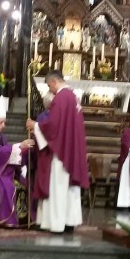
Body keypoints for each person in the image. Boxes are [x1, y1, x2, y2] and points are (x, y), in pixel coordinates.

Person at [26, 70, 90, 233]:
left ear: (54, 82)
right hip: (71, 148)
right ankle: (69, 221)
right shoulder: (73, 96)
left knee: (58, 186)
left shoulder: (61, 98)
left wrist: (36, 126)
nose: (50, 90)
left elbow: (53, 126)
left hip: (61, 152)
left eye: (49, 86)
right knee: (68, 190)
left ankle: (57, 224)